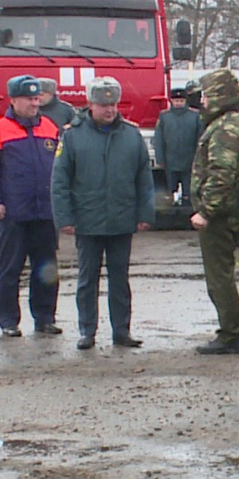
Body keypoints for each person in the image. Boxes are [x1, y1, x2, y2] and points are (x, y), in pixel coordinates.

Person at [50, 76, 155, 351]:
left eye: (113, 104)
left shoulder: (131, 135)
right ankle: (88, 331)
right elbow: (60, 180)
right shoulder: (72, 136)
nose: (109, 110)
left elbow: (144, 177)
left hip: (122, 220)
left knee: (120, 279)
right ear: (90, 104)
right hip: (87, 221)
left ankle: (121, 330)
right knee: (87, 280)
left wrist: (145, 213)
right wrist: (65, 218)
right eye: (103, 104)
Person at [0, 74, 62, 338]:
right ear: (14, 100)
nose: (35, 104)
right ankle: (8, 320)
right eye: (29, 99)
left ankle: (45, 317)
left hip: (45, 212)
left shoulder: (50, 127)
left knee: (46, 268)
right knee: (9, 269)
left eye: (37, 99)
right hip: (14, 212)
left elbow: (61, 167)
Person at [190, 68, 239, 355]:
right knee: (222, 274)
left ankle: (231, 334)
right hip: (229, 211)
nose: (202, 101)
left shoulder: (225, 128)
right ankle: (237, 330)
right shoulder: (234, 122)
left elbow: (221, 174)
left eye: (206, 95)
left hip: (220, 215)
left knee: (219, 277)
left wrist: (206, 211)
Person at [154, 86, 201, 203]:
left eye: (181, 101)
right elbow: (159, 140)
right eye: (176, 101)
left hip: (189, 161)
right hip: (170, 161)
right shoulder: (164, 116)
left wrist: (199, 159)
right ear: (171, 101)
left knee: (189, 193)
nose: (179, 103)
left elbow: (200, 139)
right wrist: (160, 159)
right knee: (170, 192)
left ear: (185, 101)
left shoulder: (195, 116)